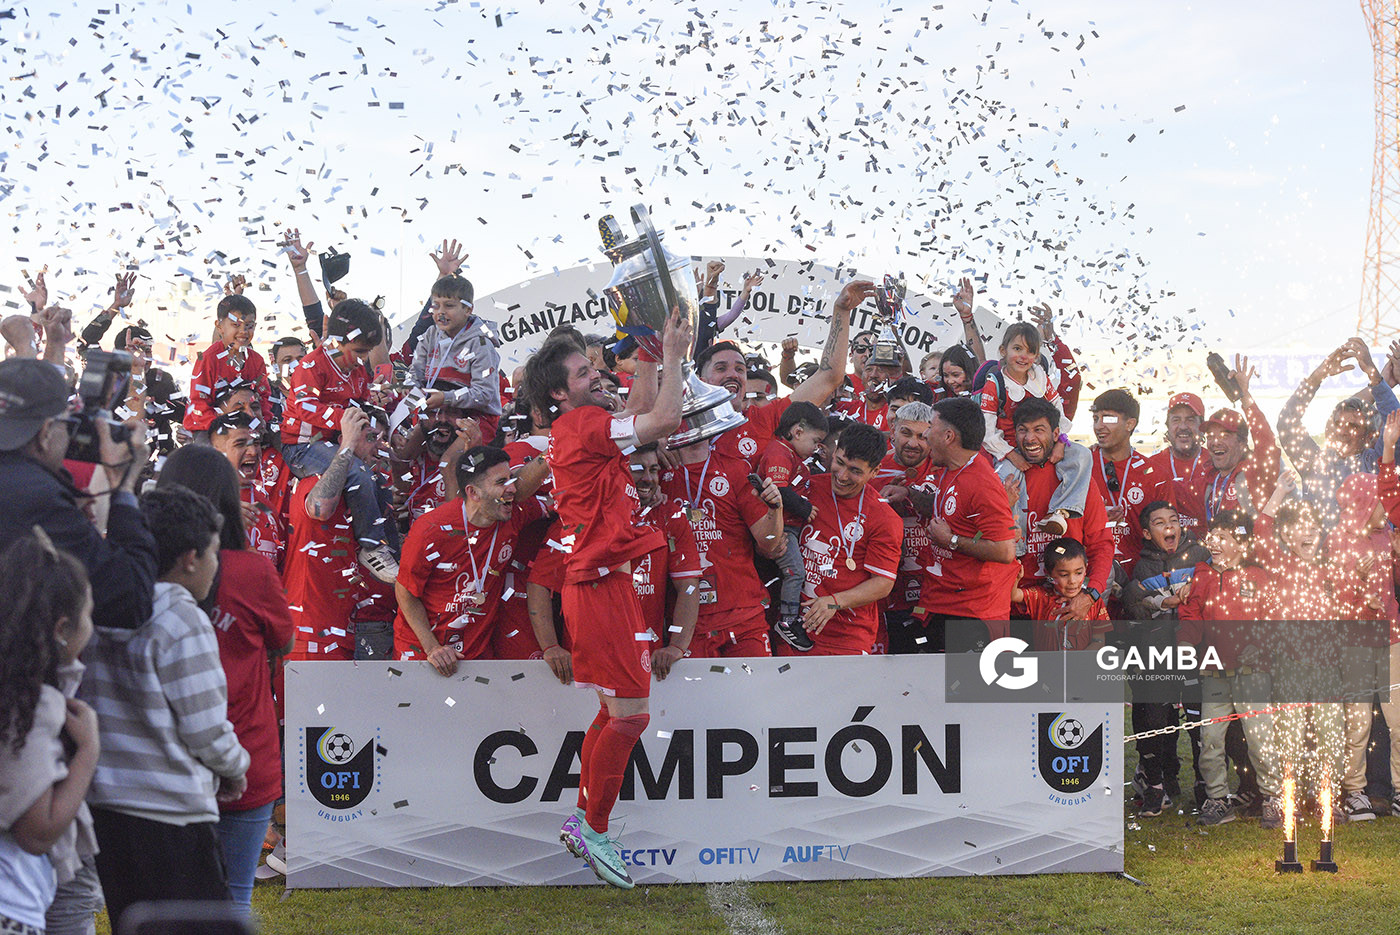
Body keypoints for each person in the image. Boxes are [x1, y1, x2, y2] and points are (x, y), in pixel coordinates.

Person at [524, 306, 690, 890]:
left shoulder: (582, 424)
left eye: (594, 367)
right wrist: (673, 354)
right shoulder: (580, 428)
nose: (595, 376)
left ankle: (583, 820)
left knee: (611, 712)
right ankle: (594, 828)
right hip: (598, 586)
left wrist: (648, 346)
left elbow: (644, 407)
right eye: (581, 374)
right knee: (631, 716)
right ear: (558, 395)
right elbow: (663, 419)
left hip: (603, 581)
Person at [80, 486, 249, 931]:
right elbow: (206, 728)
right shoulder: (181, 616)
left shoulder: (100, 608)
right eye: (215, 553)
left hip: (107, 811)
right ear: (190, 558)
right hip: (172, 817)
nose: (217, 566)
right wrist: (235, 766)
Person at [155, 446, 293, 914]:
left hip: (165, 762)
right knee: (233, 900)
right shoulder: (251, 569)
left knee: (166, 902)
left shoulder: (138, 572)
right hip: (243, 756)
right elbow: (282, 641)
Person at [0, 358, 158, 633]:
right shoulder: (40, 500)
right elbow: (130, 600)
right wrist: (122, 485)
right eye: (67, 424)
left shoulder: (35, 492)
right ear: (46, 432)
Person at [0, 535, 99, 935]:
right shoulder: (31, 708)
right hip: (12, 909)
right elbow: (37, 832)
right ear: (62, 628)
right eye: (88, 615)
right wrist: (88, 750)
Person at [392, 446, 547, 673]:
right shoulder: (431, 530)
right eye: (501, 482)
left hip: (475, 654)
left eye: (512, 479)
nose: (513, 489)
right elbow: (405, 592)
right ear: (473, 493)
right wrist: (433, 648)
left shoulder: (515, 514)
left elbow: (562, 506)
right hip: (423, 652)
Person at [280, 298, 399, 582]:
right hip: (301, 446)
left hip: (336, 442)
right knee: (356, 473)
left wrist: (373, 418)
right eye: (359, 351)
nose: (363, 359)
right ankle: (370, 548)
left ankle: (391, 550)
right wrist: (343, 419)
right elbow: (303, 407)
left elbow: (361, 401)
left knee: (380, 477)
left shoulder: (356, 369)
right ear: (335, 341)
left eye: (367, 352)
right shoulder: (311, 365)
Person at [1177, 510, 1282, 828]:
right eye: (1212, 536)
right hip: (1214, 671)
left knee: (1259, 737)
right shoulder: (1202, 573)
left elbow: (1274, 619)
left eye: (1223, 537)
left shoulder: (1259, 576)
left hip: (1252, 672)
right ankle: (1218, 799)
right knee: (1210, 738)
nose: (1215, 542)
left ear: (1242, 543)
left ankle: (1273, 797)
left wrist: (1260, 646)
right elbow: (1191, 614)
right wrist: (1186, 644)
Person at [699, 281, 875, 467]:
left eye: (740, 369)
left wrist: (842, 311)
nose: (733, 374)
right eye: (721, 368)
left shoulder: (764, 419)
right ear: (701, 382)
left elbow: (828, 377)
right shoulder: (677, 425)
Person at [658, 404, 785, 658]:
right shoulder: (656, 474)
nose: (692, 424)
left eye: (699, 416)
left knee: (755, 697)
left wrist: (776, 510)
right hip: (686, 624)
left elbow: (769, 543)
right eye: (685, 415)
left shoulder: (735, 469)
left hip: (744, 617)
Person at [1122, 502, 1212, 815]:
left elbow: (1214, 589)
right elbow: (1133, 600)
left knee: (1199, 720)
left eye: (1173, 520)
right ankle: (1156, 786)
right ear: (1147, 533)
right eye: (1159, 523)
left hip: (1195, 652)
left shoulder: (1199, 556)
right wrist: (1165, 601)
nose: (1169, 526)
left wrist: (1195, 588)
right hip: (1158, 653)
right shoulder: (1144, 566)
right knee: (1156, 721)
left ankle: (1206, 785)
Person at [283, 407, 394, 660]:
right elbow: (319, 508)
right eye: (369, 437)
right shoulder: (317, 480)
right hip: (310, 634)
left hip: (342, 631)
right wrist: (347, 449)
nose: (378, 446)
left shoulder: (368, 493)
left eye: (382, 439)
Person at [910, 397, 1018, 652]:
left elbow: (1004, 551)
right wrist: (909, 495)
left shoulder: (982, 484)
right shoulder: (952, 468)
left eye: (930, 427)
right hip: (941, 604)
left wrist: (951, 541)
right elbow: (953, 513)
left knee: (957, 690)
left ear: (948, 436)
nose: (925, 434)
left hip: (970, 615)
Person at [790, 423, 902, 655]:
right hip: (793, 629)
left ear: (875, 472)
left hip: (846, 636)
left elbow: (883, 583)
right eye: (839, 462)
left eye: (855, 470)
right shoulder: (808, 487)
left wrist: (834, 601)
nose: (841, 476)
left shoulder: (883, 517)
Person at [979, 321, 1092, 538]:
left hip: (1044, 445)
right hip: (1009, 448)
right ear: (1003, 351)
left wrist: (1060, 442)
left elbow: (1058, 412)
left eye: (1030, 351)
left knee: (1082, 454)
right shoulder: (995, 383)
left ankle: (1059, 512)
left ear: (1037, 356)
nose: (1023, 357)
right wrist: (1011, 455)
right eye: (1017, 349)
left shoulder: (1039, 377)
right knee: (1007, 481)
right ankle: (1015, 543)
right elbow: (987, 429)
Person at [999, 398, 1115, 605]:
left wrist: (1090, 595)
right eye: (1023, 430)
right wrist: (1002, 509)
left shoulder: (1077, 480)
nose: (1029, 438)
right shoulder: (1005, 479)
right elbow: (981, 539)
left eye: (1039, 430)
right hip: (1016, 603)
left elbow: (1101, 544)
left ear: (1055, 434)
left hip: (1070, 603)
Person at [1277, 338, 1396, 529]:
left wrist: (1375, 376)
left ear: (1369, 436)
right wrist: (1318, 376)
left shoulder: (1377, 464)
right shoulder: (1315, 463)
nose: (1343, 431)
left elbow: (1394, 425)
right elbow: (1287, 423)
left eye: (1353, 426)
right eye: (1338, 423)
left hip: (1373, 556)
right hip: (1321, 557)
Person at [627, 443, 702, 679]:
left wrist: (677, 645)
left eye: (654, 469)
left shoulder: (671, 515)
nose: (648, 478)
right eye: (638, 469)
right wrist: (552, 646)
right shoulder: (594, 513)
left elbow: (688, 585)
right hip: (595, 651)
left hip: (647, 653)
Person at [757, 402, 828, 651]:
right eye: (815, 441)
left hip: (789, 528)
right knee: (795, 572)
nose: (815, 449)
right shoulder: (779, 452)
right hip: (781, 529)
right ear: (797, 432)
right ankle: (787, 622)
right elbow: (778, 490)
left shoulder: (790, 453)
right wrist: (804, 508)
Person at [407, 273, 504, 443]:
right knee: (406, 450)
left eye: (449, 306)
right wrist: (408, 389)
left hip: (476, 418)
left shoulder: (481, 344)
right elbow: (415, 373)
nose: (441, 312)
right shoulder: (430, 335)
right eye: (436, 306)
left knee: (449, 461)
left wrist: (446, 398)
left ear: (468, 309)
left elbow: (484, 394)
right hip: (436, 412)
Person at [875, 402, 935, 655]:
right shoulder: (874, 467)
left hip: (934, 592)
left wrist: (910, 495)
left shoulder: (942, 466)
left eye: (922, 436)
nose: (913, 443)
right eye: (906, 433)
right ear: (892, 432)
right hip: (889, 592)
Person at [1089, 389, 1162, 579]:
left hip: (1140, 577)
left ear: (1130, 424)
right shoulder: (1081, 466)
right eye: (1096, 418)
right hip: (1090, 574)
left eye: (1108, 419)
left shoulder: (1154, 474)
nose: (1099, 426)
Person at [1200, 354, 1279, 520]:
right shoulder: (1209, 478)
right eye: (1210, 436)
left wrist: (1244, 396)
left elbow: (1266, 440)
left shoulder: (1256, 472)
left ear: (1243, 442)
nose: (1215, 442)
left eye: (1224, 435)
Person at [183, 294, 273, 434]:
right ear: (219, 327)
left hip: (249, 426)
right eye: (236, 325)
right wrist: (224, 427)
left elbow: (264, 397)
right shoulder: (208, 359)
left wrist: (262, 421)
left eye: (249, 326)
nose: (243, 331)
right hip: (209, 427)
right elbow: (199, 402)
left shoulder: (257, 360)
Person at [210, 411, 284, 569]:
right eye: (240, 444)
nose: (253, 452)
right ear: (217, 452)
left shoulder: (266, 506)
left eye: (256, 443)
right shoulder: (206, 503)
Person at [1010, 537, 1110, 651]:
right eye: (1064, 575)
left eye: (1078, 573)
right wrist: (1015, 577)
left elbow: (1099, 641)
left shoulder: (1092, 601)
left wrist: (1081, 662)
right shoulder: (1040, 596)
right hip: (1047, 667)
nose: (1072, 581)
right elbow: (1013, 596)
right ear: (1048, 574)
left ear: (1086, 569)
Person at [1144, 392, 1211, 538]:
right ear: (1168, 426)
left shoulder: (1215, 462)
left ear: (1202, 426)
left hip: (1209, 553)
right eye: (1176, 420)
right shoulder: (1151, 465)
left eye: (1190, 420)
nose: (1182, 426)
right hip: (1164, 554)